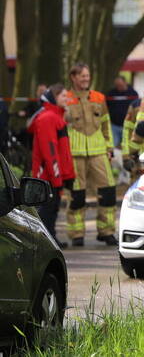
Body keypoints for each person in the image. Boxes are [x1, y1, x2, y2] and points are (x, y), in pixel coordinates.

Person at [65, 63, 117, 246]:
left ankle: (106, 231)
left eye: (87, 76)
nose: (86, 79)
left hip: (98, 152)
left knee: (108, 191)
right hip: (74, 153)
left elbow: (105, 124)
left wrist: (109, 148)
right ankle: (77, 234)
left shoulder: (98, 98)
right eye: (82, 76)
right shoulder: (65, 99)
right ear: (73, 77)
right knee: (77, 196)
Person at [29, 84, 75, 246]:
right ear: (54, 97)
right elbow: (50, 153)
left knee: (53, 209)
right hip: (47, 176)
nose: (67, 99)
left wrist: (67, 175)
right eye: (63, 96)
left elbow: (61, 152)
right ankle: (46, 243)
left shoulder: (55, 117)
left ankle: (51, 239)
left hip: (52, 175)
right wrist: (57, 179)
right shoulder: (48, 118)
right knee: (48, 210)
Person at [105, 75, 139, 153]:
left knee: (127, 145)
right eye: (117, 86)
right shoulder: (111, 94)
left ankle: (126, 161)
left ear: (125, 83)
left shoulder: (133, 93)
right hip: (115, 126)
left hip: (127, 126)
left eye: (120, 85)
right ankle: (116, 162)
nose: (119, 87)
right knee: (114, 145)